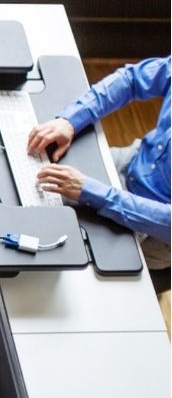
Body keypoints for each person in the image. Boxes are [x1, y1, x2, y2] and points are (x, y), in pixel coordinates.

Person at [28, 56, 170, 292]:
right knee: (34, 186)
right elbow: (132, 79)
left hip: (153, 227)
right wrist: (70, 120)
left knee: (69, 281)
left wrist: (91, 191)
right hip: (131, 163)